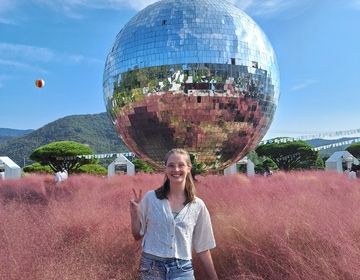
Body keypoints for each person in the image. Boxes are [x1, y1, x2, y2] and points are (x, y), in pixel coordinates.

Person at [130, 148, 218, 280]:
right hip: (151, 268)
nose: (176, 170)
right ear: (165, 169)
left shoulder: (198, 206)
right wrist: (134, 214)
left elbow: (203, 247)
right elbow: (137, 235)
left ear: (189, 168)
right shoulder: (151, 198)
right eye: (171, 165)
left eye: (181, 165)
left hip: (182, 270)